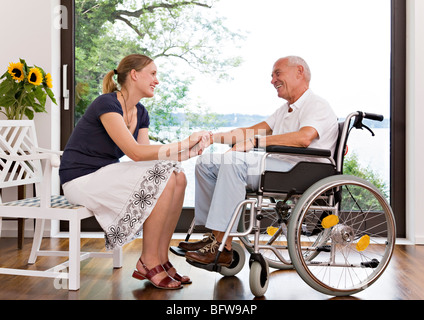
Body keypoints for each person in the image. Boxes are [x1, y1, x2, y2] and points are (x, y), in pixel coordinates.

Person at [59, 54, 211, 290]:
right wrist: (184, 141)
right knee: (166, 174)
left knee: (177, 174)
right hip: (81, 179)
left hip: (105, 174)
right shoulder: (106, 104)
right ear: (134, 74)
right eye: (152, 73)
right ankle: (147, 261)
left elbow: (149, 154)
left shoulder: (141, 112)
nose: (156, 81)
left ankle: (161, 259)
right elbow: (136, 153)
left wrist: (190, 151)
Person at [180, 56, 339, 267]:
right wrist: (211, 138)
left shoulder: (316, 104)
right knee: (206, 163)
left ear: (299, 71)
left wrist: (255, 142)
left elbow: (303, 138)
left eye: (277, 73)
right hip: (280, 167)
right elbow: (248, 131)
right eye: (272, 75)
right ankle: (215, 236)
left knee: (233, 160)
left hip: (301, 171)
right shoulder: (286, 110)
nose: (272, 80)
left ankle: (222, 245)